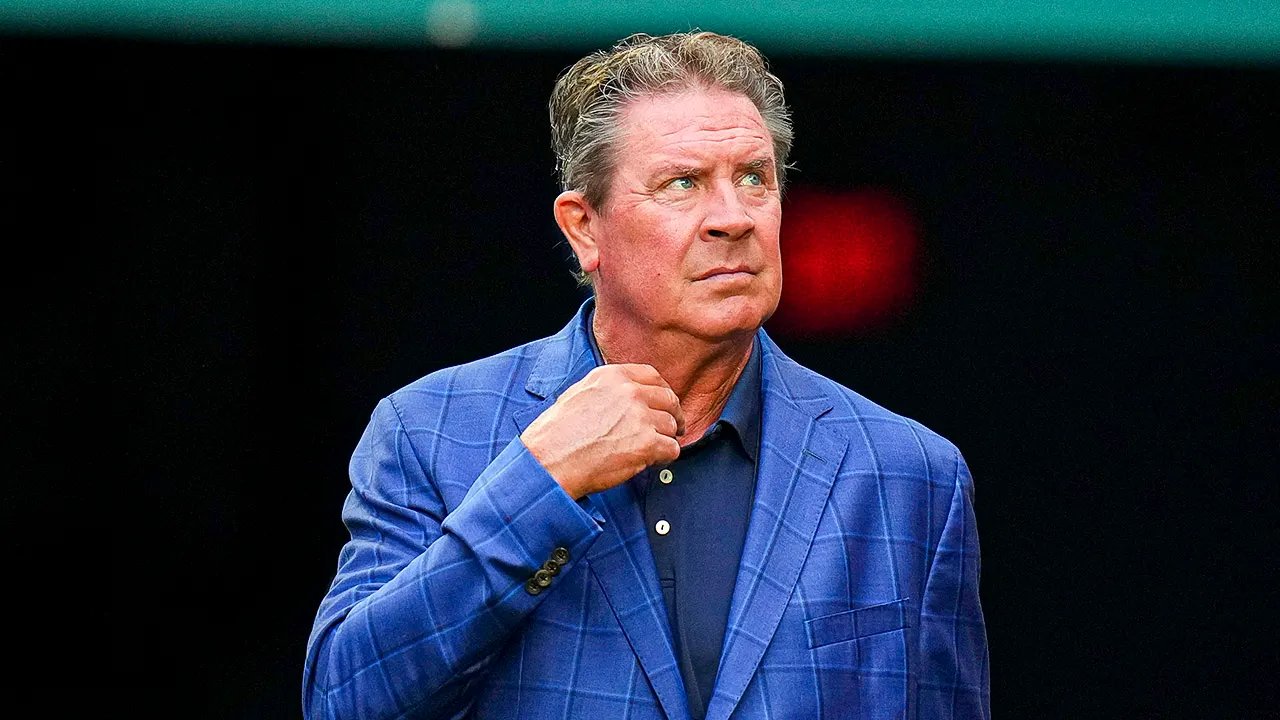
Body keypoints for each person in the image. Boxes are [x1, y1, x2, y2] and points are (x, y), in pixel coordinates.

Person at [303, 31, 988, 720]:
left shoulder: (910, 475)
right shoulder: (430, 432)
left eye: (755, 177)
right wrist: (541, 482)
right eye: (682, 183)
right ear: (584, 228)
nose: (733, 217)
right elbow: (343, 702)